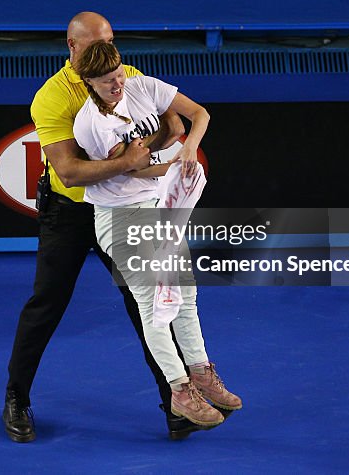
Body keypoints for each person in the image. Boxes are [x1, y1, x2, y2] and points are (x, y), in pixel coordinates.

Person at [4, 11, 193, 443]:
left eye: (111, 43)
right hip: (70, 213)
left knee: (148, 304)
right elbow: (69, 172)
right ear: (71, 48)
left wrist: (144, 153)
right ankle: (16, 396)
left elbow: (175, 125)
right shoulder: (52, 97)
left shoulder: (126, 76)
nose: (106, 55)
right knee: (47, 303)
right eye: (93, 46)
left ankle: (177, 400)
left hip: (125, 210)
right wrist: (127, 162)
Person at [72, 40, 242, 426]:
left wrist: (188, 150)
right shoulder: (91, 124)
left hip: (156, 205)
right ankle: (180, 390)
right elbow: (129, 169)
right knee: (153, 303)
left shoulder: (140, 84)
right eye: (107, 83)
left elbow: (198, 115)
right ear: (89, 83)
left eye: (118, 75)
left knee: (184, 291)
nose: (118, 86)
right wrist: (171, 167)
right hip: (120, 217)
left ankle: (200, 370)